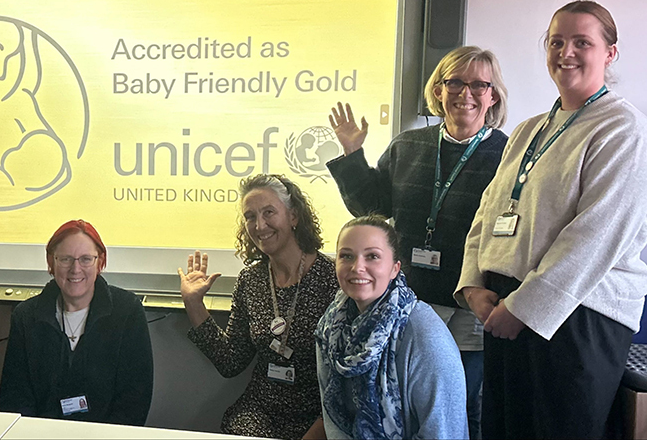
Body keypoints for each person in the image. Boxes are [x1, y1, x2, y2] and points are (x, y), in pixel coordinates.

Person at [456, 0, 647, 439]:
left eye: (583, 42)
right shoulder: (527, 130)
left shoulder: (622, 128)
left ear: (610, 53)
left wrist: (524, 308)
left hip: (578, 314)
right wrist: (473, 285)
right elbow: (488, 211)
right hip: (506, 304)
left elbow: (597, 235)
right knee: (503, 430)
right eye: (557, 41)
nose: (567, 52)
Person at [325, 45, 509, 439]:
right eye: (455, 82)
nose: (466, 93)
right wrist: (352, 153)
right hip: (408, 299)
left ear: (493, 95)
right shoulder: (408, 146)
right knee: (403, 403)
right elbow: (370, 207)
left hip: (469, 304)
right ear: (438, 90)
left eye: (479, 84)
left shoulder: (507, 155)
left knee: (463, 407)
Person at [179, 173, 338, 440]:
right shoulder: (251, 279)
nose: (260, 225)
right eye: (250, 217)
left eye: (269, 212)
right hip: (260, 414)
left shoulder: (333, 277)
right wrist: (194, 304)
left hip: (320, 416)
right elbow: (231, 361)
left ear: (294, 216)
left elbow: (346, 381)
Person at [313, 215, 467, 440]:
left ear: (395, 269)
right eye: (346, 256)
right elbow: (334, 420)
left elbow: (444, 431)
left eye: (372, 256)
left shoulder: (423, 332)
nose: (357, 267)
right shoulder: (330, 328)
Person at [0, 219, 153, 425]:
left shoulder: (127, 312)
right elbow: (15, 396)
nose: (75, 269)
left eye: (86, 259)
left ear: (100, 262)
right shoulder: (26, 317)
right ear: (51, 262)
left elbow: (135, 398)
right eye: (65, 259)